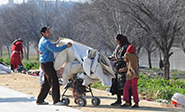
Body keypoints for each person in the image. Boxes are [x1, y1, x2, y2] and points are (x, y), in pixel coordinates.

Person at [36, 26, 72, 105]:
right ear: (43, 33)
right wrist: (66, 46)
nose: (49, 33)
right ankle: (56, 101)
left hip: (46, 63)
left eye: (49, 31)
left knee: (47, 83)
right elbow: (55, 49)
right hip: (47, 64)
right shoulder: (45, 41)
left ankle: (40, 100)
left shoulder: (44, 41)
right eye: (47, 32)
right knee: (54, 81)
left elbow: (52, 46)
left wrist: (56, 43)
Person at [108, 34, 132, 106]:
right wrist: (109, 58)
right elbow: (114, 55)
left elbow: (127, 58)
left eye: (118, 41)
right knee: (117, 85)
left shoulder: (127, 47)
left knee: (126, 86)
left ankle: (128, 101)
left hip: (124, 69)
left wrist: (116, 59)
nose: (117, 43)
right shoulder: (118, 47)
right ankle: (118, 100)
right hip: (117, 69)